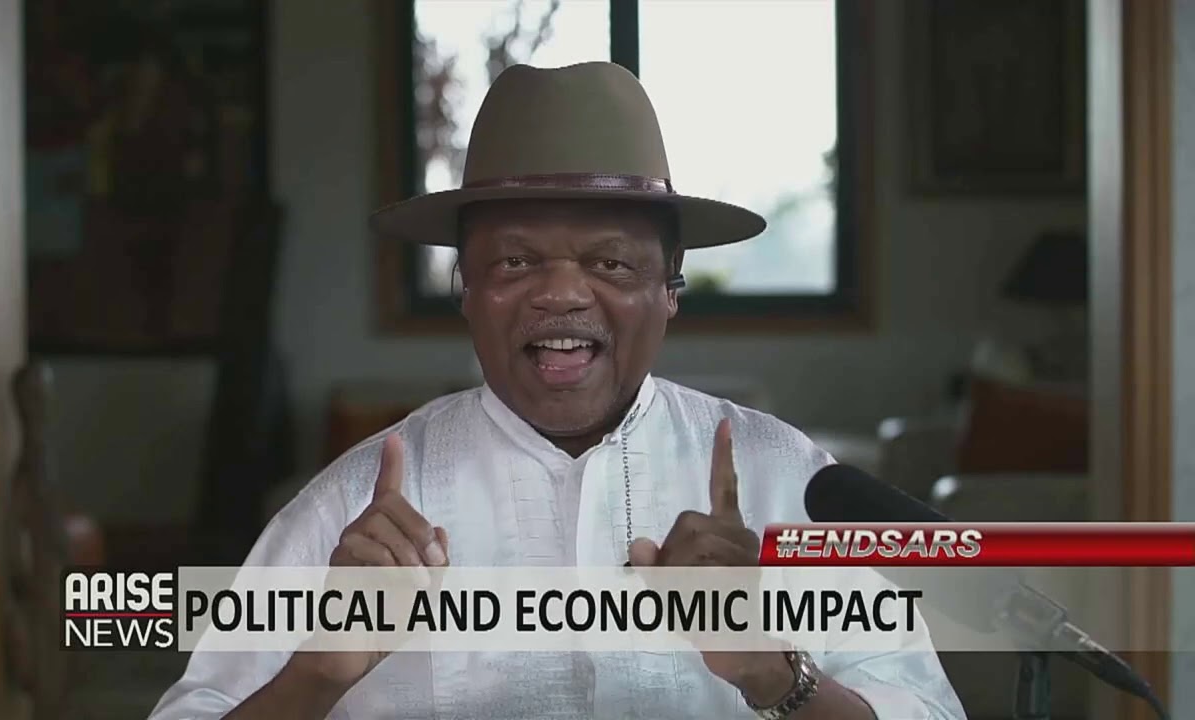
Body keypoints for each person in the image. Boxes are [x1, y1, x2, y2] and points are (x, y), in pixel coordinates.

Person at [150, 62, 965, 719]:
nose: (562, 294)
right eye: (515, 261)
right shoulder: (349, 511)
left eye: (610, 262)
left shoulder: (786, 480)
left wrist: (773, 674)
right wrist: (316, 675)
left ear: (671, 287)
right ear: (466, 288)